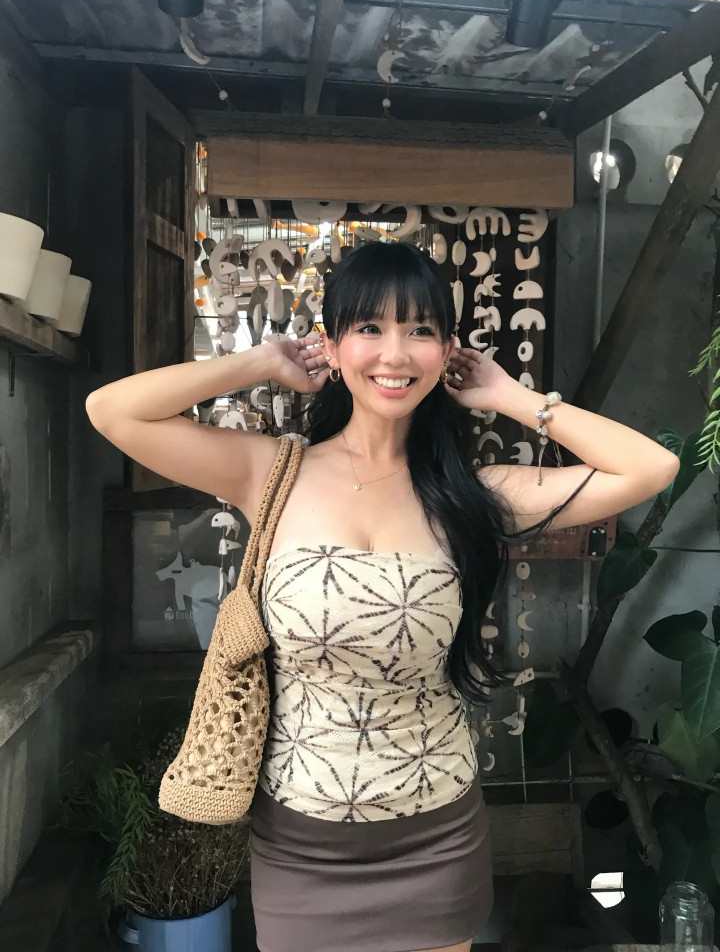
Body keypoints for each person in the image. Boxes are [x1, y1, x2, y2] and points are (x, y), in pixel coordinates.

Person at [86, 242, 680, 952]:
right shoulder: (269, 472)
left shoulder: (475, 494)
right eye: (369, 327)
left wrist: (509, 395)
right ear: (333, 346)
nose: (394, 353)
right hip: (300, 843)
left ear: (447, 350)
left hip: (435, 836)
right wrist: (261, 362)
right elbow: (112, 411)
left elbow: (652, 468)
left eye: (420, 330)